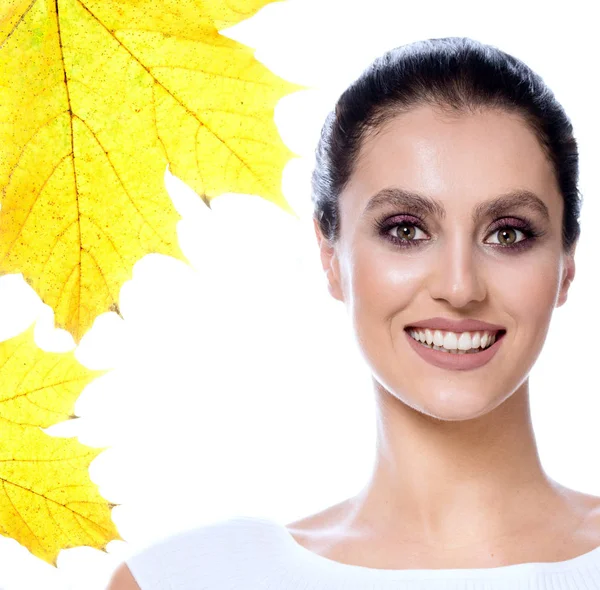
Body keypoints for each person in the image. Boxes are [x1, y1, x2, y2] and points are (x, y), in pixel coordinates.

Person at [107, 37, 600, 590]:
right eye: (406, 230)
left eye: (508, 233)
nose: (460, 287)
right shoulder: (187, 579)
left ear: (566, 262)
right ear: (330, 254)